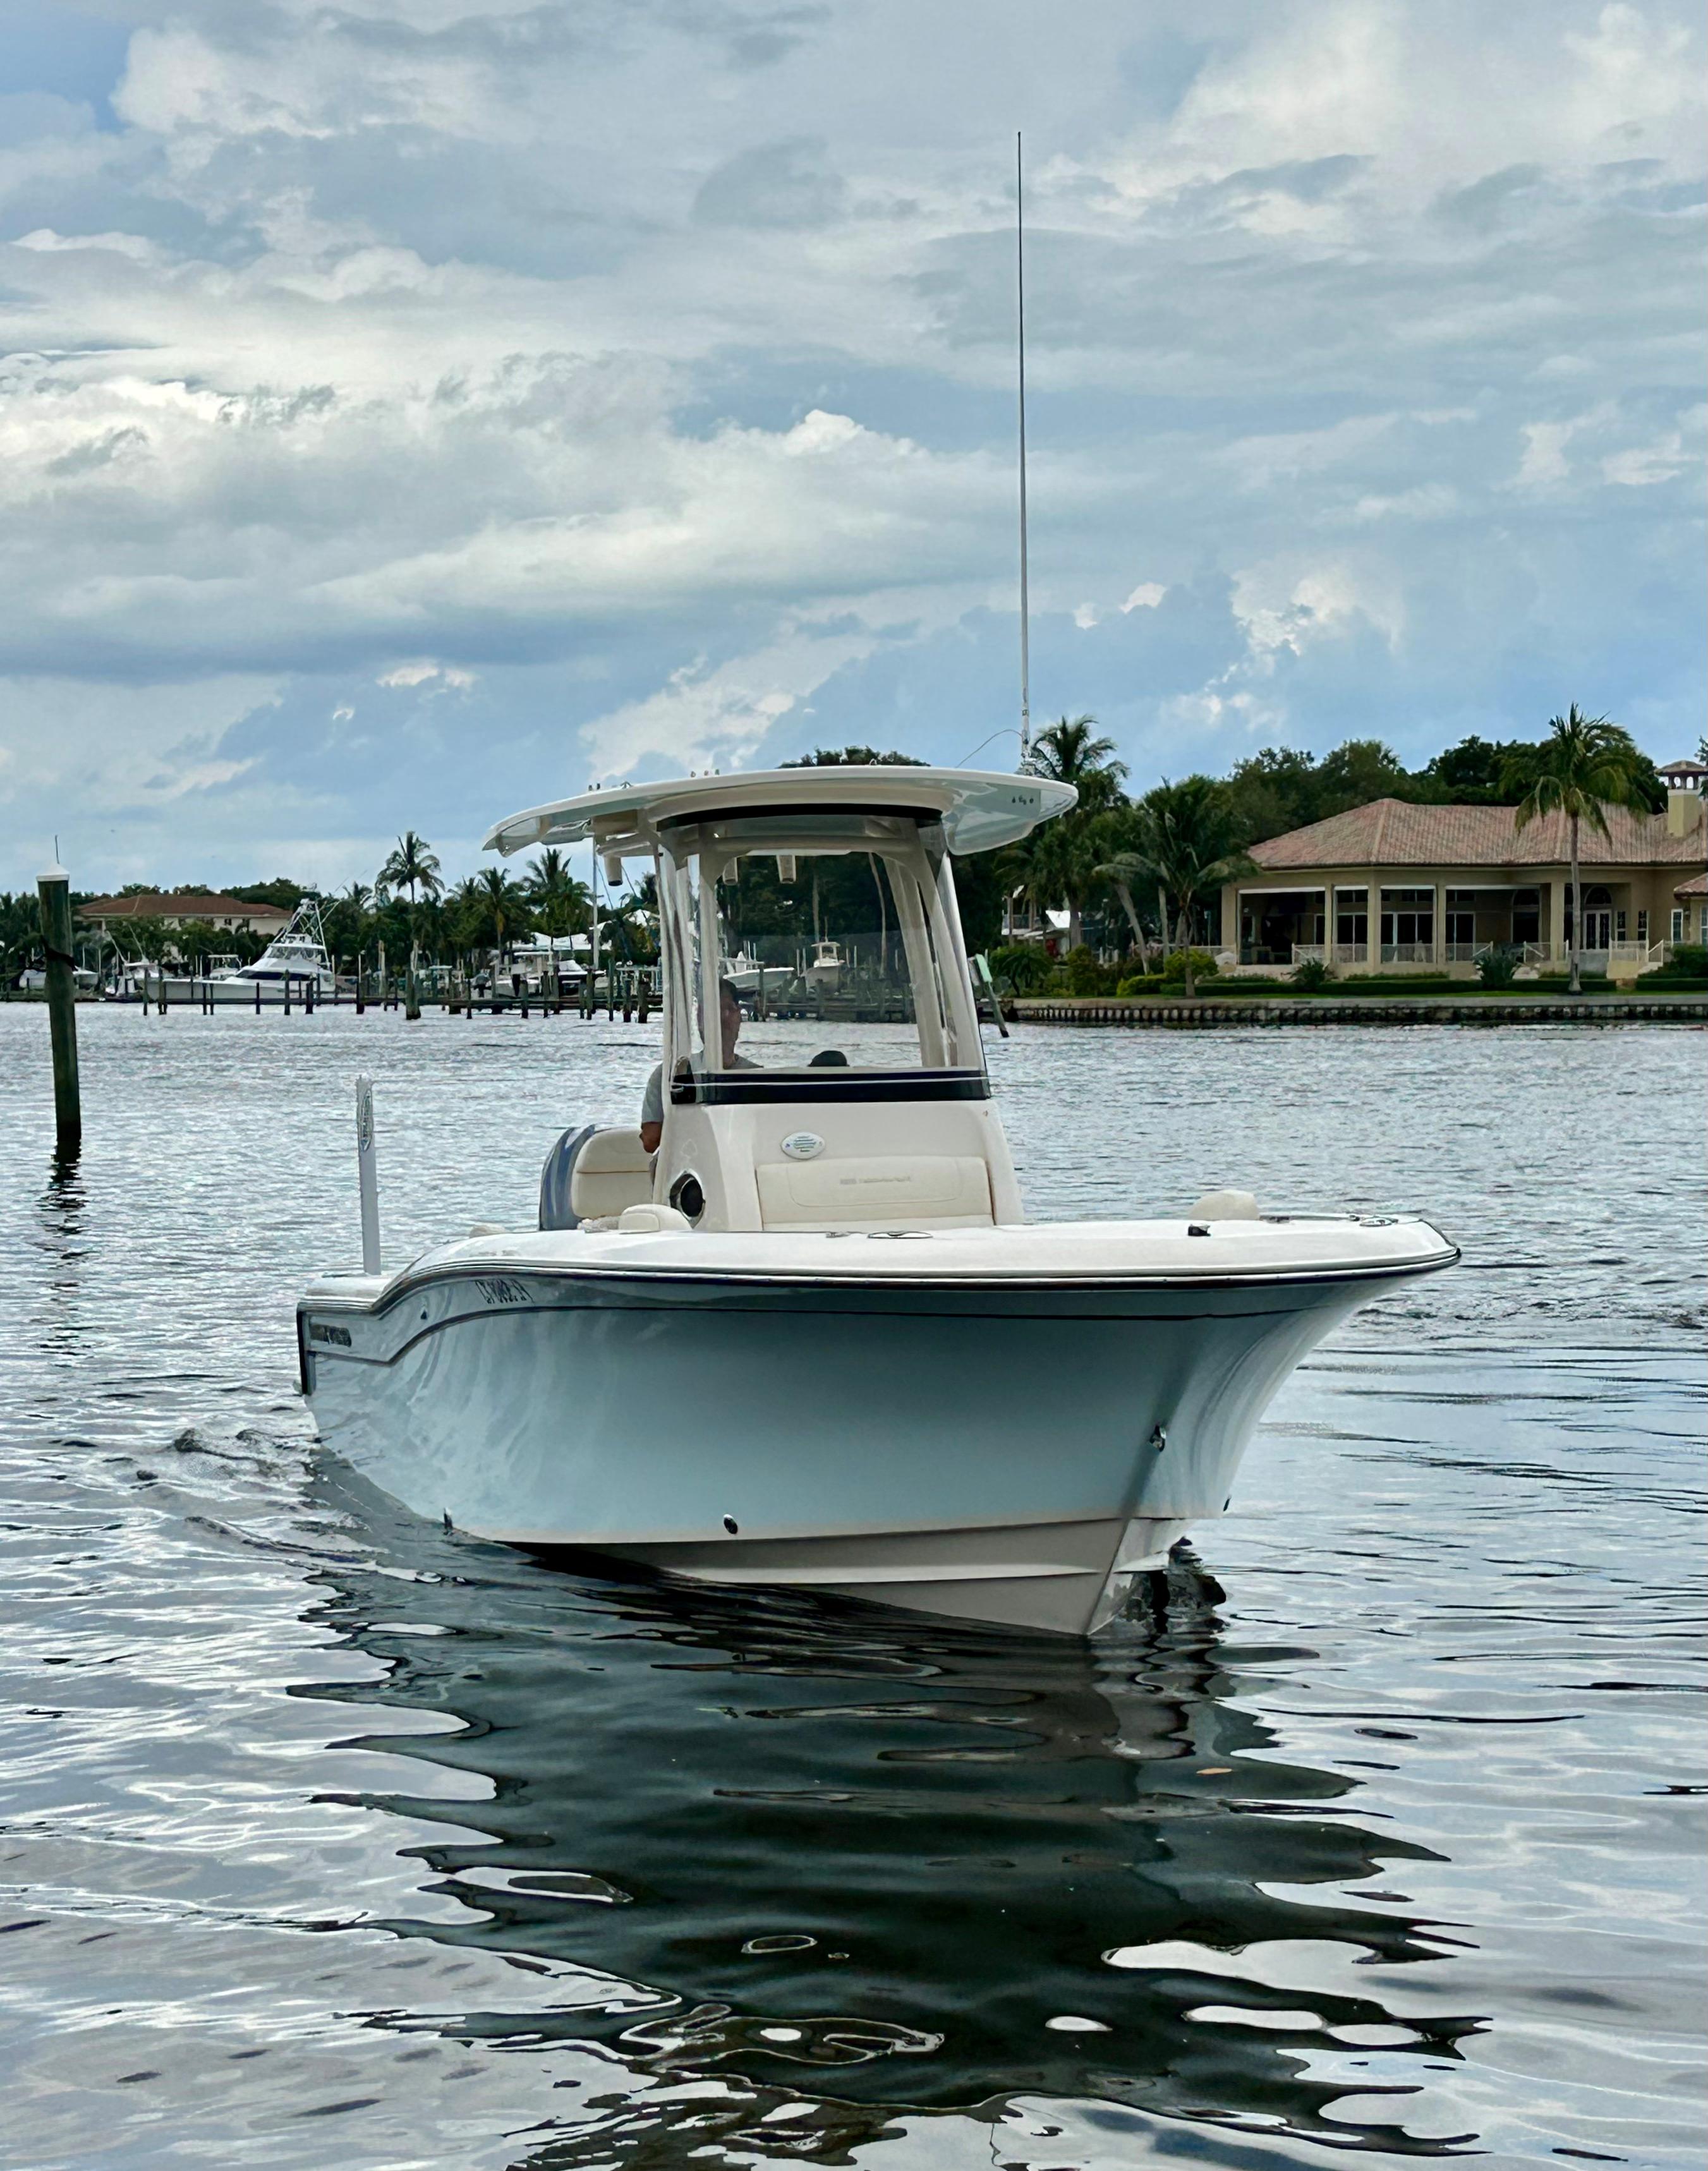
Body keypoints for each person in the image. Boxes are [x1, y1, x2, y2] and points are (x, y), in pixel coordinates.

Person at [639, 978, 756, 1153]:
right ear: (699, 1020)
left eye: (728, 1009)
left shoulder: (757, 1076)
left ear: (739, 1016)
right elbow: (650, 1141)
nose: (721, 1019)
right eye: (711, 1012)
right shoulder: (669, 1075)